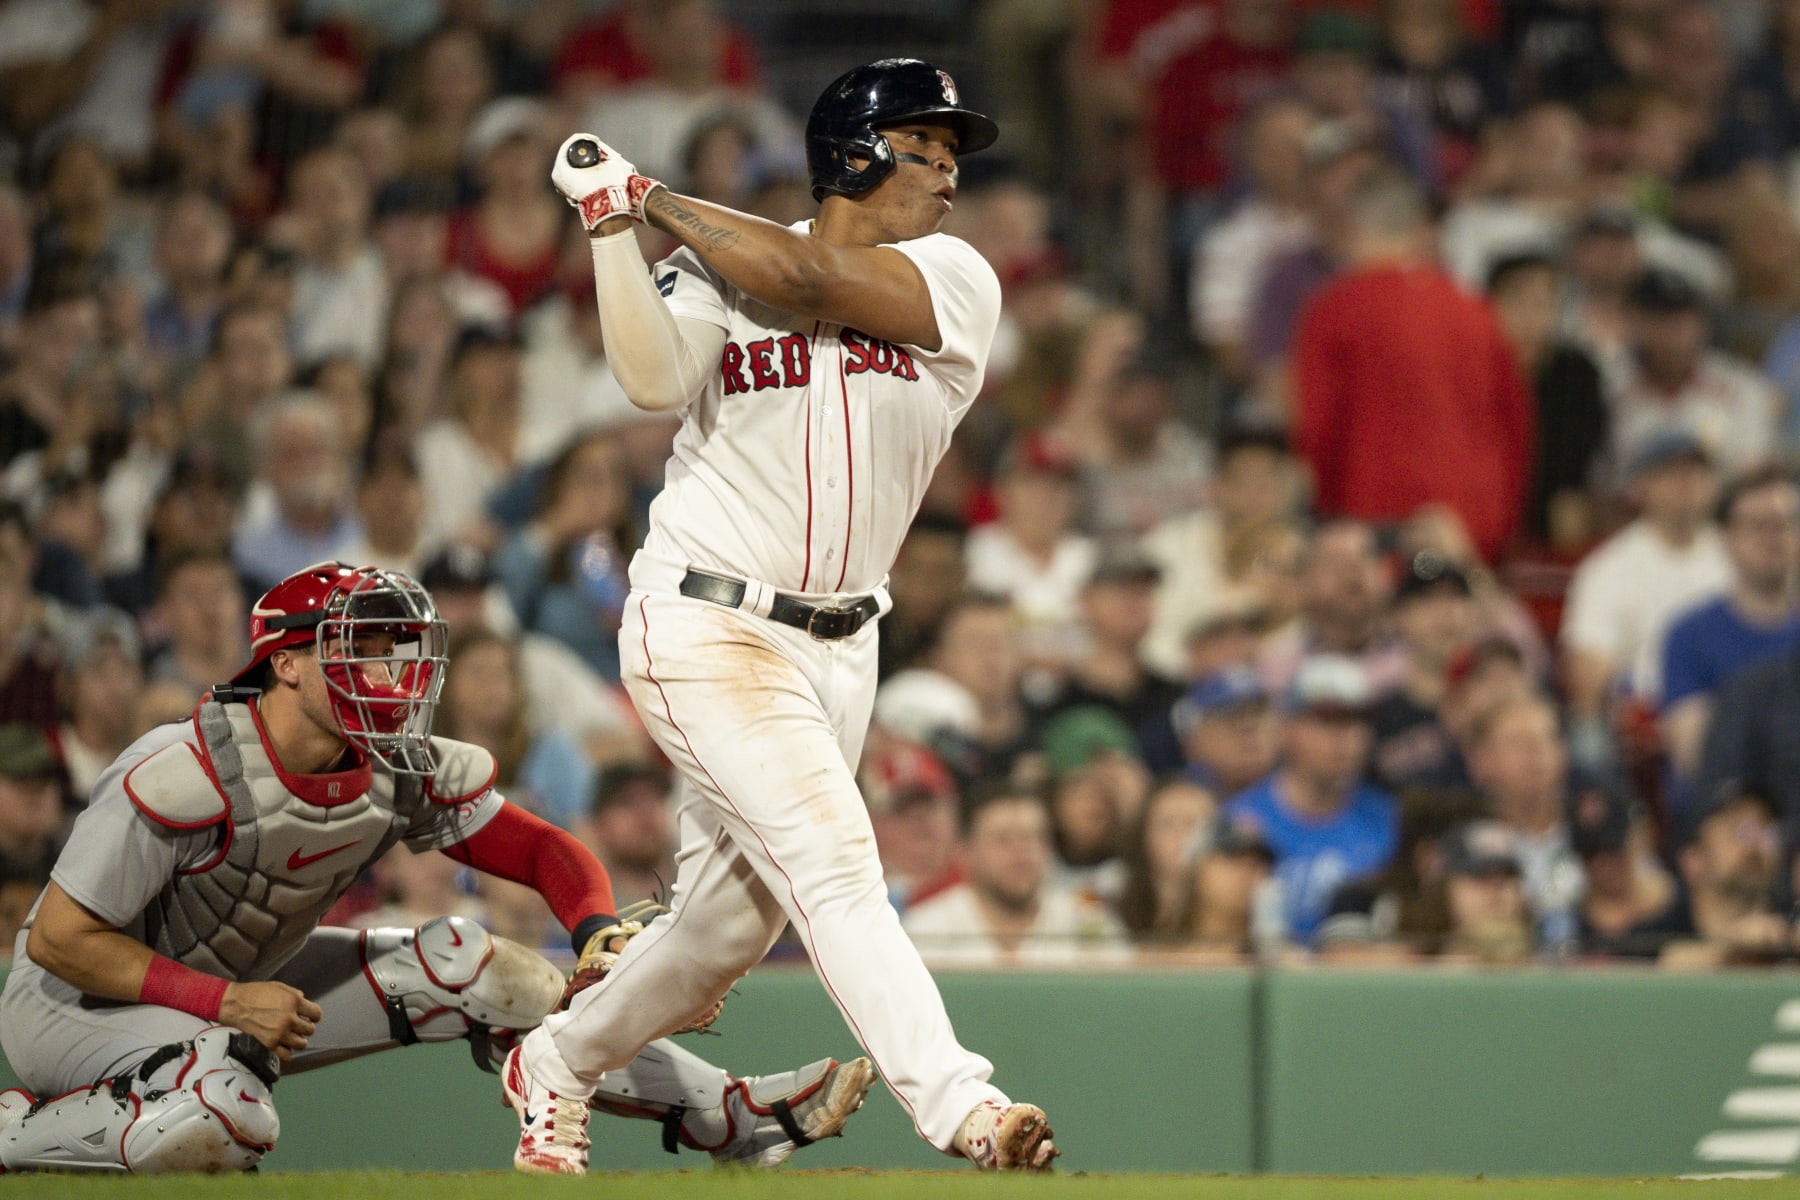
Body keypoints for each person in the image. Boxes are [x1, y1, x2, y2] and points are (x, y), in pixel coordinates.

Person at [512, 59, 1059, 1173]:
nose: (950, 178)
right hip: (704, 618)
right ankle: (964, 1106)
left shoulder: (955, 277)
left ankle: (558, 1059)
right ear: (854, 152)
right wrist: (615, 230)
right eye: (928, 149)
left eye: (956, 156)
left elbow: (808, 276)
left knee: (718, 939)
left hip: (842, 645)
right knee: (835, 860)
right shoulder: (714, 271)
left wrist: (648, 195)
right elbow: (654, 384)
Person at [0, 563, 872, 1174]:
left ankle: (730, 1117)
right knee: (228, 1113)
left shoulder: (393, 761)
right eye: (360, 645)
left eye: (391, 647)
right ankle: (17, 1131)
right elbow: (60, 943)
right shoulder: (183, 768)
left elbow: (542, 850)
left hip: (236, 992)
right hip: (73, 1010)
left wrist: (597, 931)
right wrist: (223, 1004)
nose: (387, 668)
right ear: (288, 661)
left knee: (473, 963)